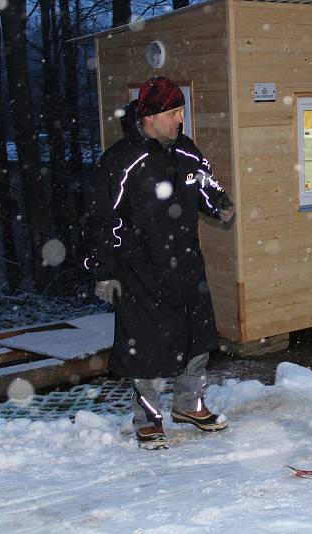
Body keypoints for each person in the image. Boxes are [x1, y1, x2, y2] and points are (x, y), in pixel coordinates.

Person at [84, 76, 234, 450]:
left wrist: (221, 203)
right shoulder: (123, 159)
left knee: (198, 341)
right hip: (141, 272)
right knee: (146, 352)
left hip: (186, 265)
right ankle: (148, 420)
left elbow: (205, 183)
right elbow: (101, 219)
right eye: (171, 113)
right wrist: (103, 272)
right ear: (148, 116)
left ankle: (189, 405)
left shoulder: (185, 150)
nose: (178, 119)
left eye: (180, 111)